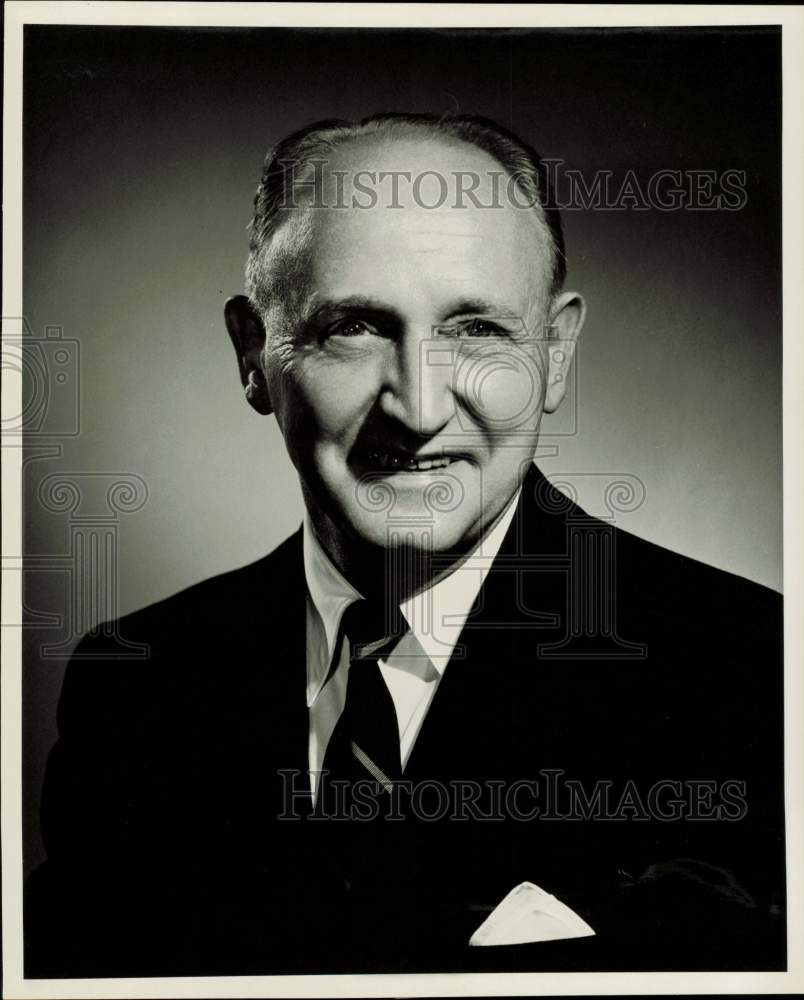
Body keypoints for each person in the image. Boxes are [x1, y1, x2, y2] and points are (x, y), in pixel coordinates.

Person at [25, 113, 785, 977]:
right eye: (353, 326)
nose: (418, 410)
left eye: (477, 331)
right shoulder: (136, 687)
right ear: (251, 354)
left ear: (558, 353)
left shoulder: (751, 673)